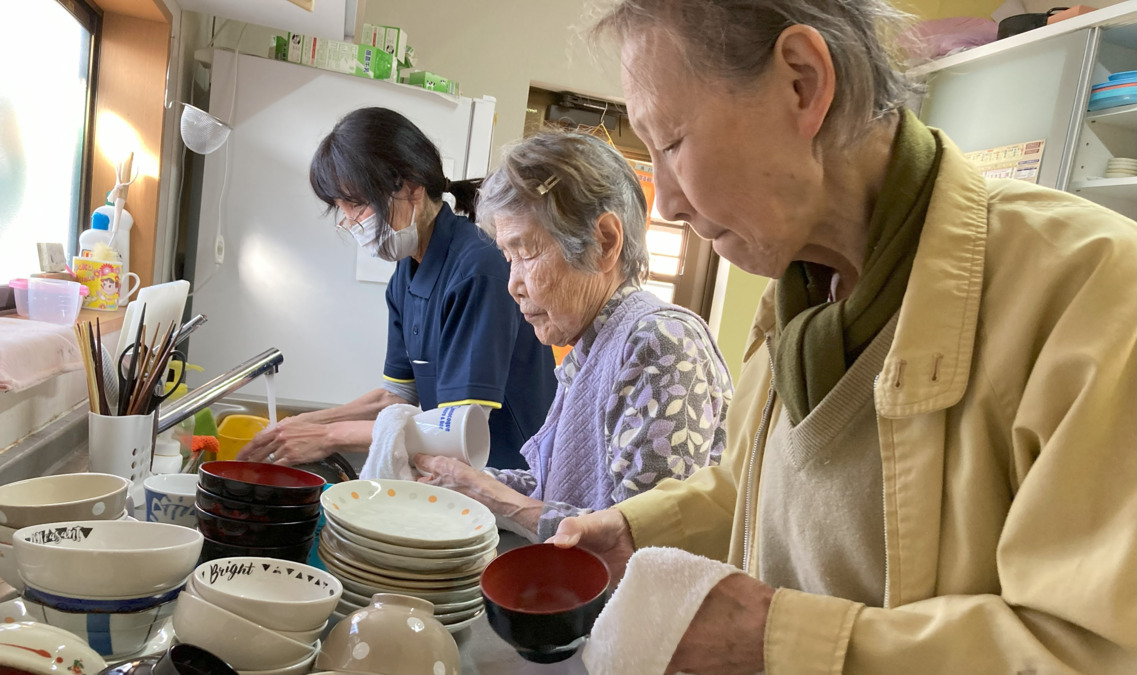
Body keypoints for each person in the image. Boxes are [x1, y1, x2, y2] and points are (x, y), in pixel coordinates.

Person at [549, 1, 1137, 673]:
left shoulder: (1094, 288)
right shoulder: (796, 294)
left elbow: (1092, 649)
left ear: (802, 81)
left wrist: (777, 639)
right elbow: (761, 490)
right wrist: (639, 529)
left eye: (672, 142)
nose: (668, 204)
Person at [412, 130, 733, 542]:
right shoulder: (592, 345)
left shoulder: (661, 341)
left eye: (525, 253)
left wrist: (492, 496)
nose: (513, 285)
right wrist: (466, 481)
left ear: (604, 242)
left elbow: (640, 539)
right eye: (508, 258)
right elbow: (552, 488)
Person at [238, 107, 557, 471]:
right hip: (460, 475)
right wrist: (304, 423)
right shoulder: (406, 275)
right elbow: (396, 397)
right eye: (341, 208)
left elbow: (460, 428)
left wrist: (328, 436)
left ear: (411, 188)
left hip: (511, 475)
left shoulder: (478, 268)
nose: (351, 222)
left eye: (356, 204)